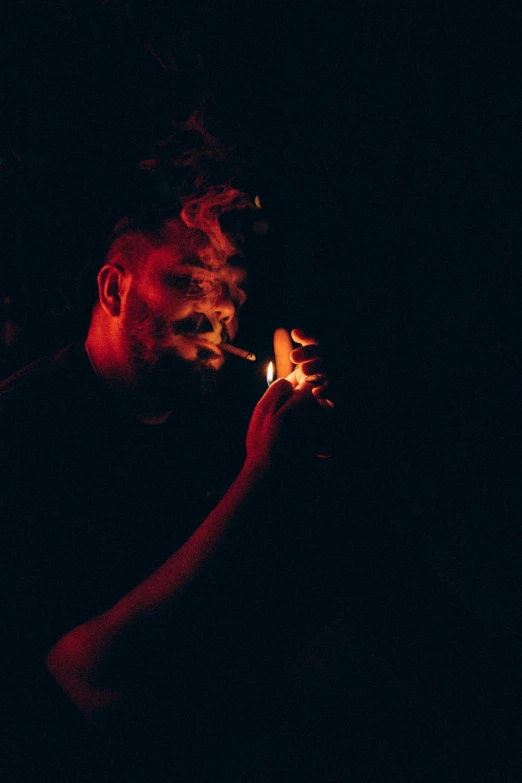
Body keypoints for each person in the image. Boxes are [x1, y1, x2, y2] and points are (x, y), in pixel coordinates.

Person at [0, 187, 336, 780]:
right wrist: (262, 473)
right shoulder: (27, 429)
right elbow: (84, 677)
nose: (223, 310)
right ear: (113, 290)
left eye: (232, 287)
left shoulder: (215, 413)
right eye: (192, 282)